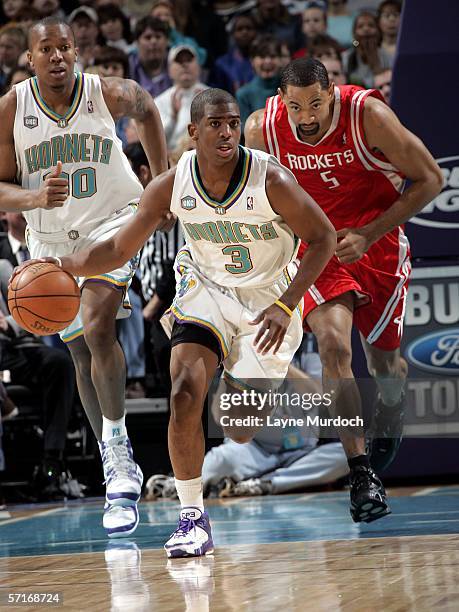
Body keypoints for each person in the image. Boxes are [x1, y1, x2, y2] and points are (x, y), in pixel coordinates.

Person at [15, 88, 337, 557]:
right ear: (193, 132)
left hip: (267, 298)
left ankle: (238, 364)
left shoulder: (271, 180)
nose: (226, 132)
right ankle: (192, 518)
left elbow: (324, 237)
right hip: (205, 286)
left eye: (232, 123)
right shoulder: (171, 184)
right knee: (184, 391)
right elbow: (116, 250)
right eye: (215, 125)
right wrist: (66, 265)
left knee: (240, 428)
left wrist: (287, 304)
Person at [244, 57, 443, 517]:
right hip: (318, 248)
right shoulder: (262, 130)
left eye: (316, 104)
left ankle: (390, 410)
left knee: (386, 366)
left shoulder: (367, 115)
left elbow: (431, 178)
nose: (307, 117)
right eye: (296, 108)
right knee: (334, 347)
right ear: (281, 103)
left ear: (332, 95)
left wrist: (371, 232)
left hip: (376, 241)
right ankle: (360, 474)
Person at [0, 16, 168, 536]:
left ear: (78, 51)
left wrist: (160, 180)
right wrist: (32, 199)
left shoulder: (104, 93)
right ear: (29, 58)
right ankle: (112, 453)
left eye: (64, 47)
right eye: (45, 48)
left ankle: (118, 463)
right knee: (77, 350)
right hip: (51, 237)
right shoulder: (11, 108)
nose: (56, 56)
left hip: (114, 221)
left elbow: (146, 106)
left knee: (98, 326)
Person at [155, 45, 207, 152]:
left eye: (189, 60)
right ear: (169, 69)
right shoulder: (160, 102)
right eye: (179, 61)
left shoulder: (214, 97)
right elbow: (156, 141)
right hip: (173, 159)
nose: (185, 64)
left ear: (198, 66)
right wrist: (173, 117)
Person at [236, 35, 283, 130]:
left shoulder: (290, 90)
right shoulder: (243, 94)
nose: (268, 61)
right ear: (252, 61)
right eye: (262, 56)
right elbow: (243, 132)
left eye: (273, 56)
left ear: (281, 60)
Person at [342, 11, 392, 88]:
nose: (366, 29)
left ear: (378, 32)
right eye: (360, 26)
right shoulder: (346, 57)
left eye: (371, 25)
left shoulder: (388, 57)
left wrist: (375, 65)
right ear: (354, 34)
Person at [128, 16, 171, 99]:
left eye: (158, 37)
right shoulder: (127, 66)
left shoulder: (176, 63)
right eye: (148, 37)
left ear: (167, 41)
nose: (153, 41)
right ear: (137, 42)